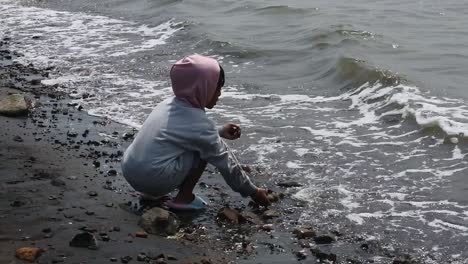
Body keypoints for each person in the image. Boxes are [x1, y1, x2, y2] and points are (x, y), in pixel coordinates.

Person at [121, 54, 270, 210]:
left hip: (130, 169)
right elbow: (227, 164)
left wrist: (218, 131)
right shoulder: (201, 125)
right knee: (202, 150)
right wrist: (253, 192)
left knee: (198, 143)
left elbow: (184, 132)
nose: (219, 93)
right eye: (217, 86)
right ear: (203, 87)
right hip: (153, 180)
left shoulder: (167, 104)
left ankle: (150, 194)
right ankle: (183, 198)